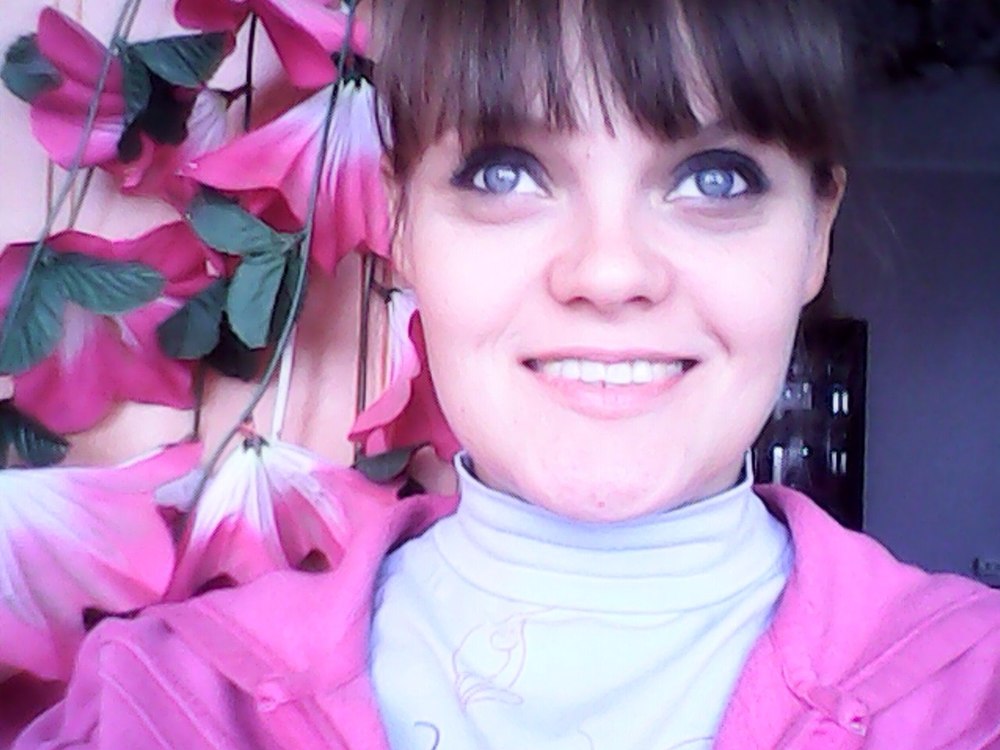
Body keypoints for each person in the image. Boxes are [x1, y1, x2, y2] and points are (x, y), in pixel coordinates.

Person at [13, 0, 1000, 748]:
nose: (608, 272)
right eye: (504, 172)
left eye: (713, 178)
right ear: (401, 223)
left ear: (815, 234)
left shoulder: (973, 694)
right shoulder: (164, 704)